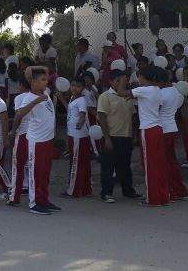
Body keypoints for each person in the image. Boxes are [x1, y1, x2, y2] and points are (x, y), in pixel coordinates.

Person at [17, 67, 60, 215]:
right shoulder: (28, 97)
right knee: (36, 172)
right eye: (42, 80)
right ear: (33, 82)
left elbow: (45, 71)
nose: (46, 81)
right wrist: (36, 101)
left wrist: (40, 69)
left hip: (47, 139)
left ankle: (44, 200)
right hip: (37, 141)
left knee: (45, 172)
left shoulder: (46, 93)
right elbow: (21, 113)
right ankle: (34, 203)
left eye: (45, 79)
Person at [97, 68, 140, 203]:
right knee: (108, 166)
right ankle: (107, 192)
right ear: (111, 81)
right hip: (112, 136)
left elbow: (133, 117)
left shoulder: (128, 96)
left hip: (126, 136)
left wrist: (133, 135)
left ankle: (128, 190)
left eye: (124, 81)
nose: (121, 84)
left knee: (125, 166)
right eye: (118, 81)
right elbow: (102, 117)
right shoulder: (105, 96)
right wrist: (107, 138)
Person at [131, 66, 169, 206]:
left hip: (147, 129)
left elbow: (123, 93)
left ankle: (152, 197)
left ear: (144, 77)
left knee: (149, 164)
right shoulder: (158, 90)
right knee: (159, 163)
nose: (138, 79)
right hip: (158, 127)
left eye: (139, 76)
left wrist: (123, 80)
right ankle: (163, 195)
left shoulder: (143, 90)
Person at [158, 71, 188, 201]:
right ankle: (179, 188)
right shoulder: (177, 92)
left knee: (165, 162)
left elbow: (156, 110)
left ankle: (171, 190)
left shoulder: (161, 94)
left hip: (163, 129)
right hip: (172, 127)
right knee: (172, 161)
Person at [63, 78, 92, 198]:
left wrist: (80, 123)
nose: (74, 88)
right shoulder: (72, 99)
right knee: (81, 161)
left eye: (78, 86)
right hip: (73, 133)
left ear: (82, 89)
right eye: (73, 86)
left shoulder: (81, 100)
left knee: (76, 161)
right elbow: (69, 109)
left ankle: (73, 190)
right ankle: (85, 189)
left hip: (77, 135)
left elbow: (82, 114)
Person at [6, 78, 32, 206]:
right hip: (35, 135)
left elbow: (18, 115)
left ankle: (14, 196)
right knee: (32, 165)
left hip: (22, 133)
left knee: (18, 165)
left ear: (21, 85)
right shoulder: (39, 96)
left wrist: (13, 130)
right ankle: (31, 192)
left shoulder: (19, 98)